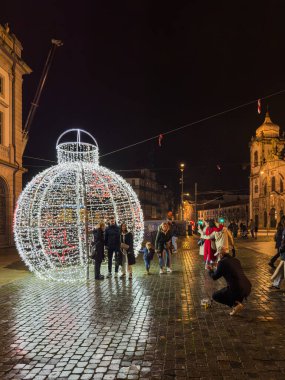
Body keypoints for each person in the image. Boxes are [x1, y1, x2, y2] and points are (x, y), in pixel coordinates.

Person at [209, 247, 252, 316]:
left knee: (215, 295)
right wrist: (219, 266)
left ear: (220, 255)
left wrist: (210, 270)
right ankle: (237, 303)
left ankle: (235, 305)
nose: (217, 257)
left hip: (236, 289)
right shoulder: (236, 260)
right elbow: (230, 269)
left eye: (218, 255)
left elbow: (214, 277)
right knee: (229, 291)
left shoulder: (222, 262)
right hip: (247, 287)